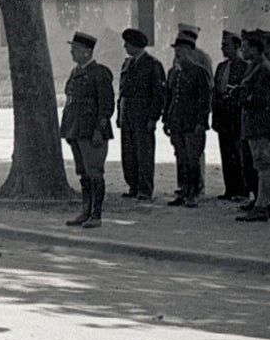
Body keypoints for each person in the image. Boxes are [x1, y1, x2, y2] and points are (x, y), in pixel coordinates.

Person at [61, 30, 114, 229]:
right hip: (75, 129)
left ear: (86, 52)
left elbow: (106, 106)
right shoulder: (75, 72)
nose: (72, 53)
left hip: (92, 132)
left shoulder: (99, 73)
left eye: (75, 49)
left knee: (95, 172)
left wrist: (99, 130)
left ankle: (96, 215)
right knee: (83, 173)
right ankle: (85, 211)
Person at [236, 29, 270, 222]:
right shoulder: (256, 65)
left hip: (262, 124)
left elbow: (260, 98)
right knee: (262, 165)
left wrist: (241, 96)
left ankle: (262, 206)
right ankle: (267, 204)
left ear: (255, 49)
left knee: (264, 165)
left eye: (245, 47)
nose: (242, 50)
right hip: (257, 123)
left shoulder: (263, 68)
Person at [162, 32, 212, 206]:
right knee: (181, 158)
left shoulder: (200, 73)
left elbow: (205, 101)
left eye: (182, 51)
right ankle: (183, 191)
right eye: (176, 51)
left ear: (191, 52)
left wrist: (201, 122)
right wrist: (166, 120)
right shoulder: (174, 73)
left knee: (192, 159)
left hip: (193, 124)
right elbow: (170, 99)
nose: (178, 54)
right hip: (177, 122)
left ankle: (194, 193)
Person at [116, 27, 165, 200]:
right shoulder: (127, 64)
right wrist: (119, 114)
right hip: (127, 111)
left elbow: (158, 94)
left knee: (144, 152)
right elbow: (122, 90)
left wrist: (153, 117)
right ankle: (133, 186)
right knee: (128, 152)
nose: (125, 47)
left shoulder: (153, 64)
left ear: (137, 45)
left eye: (128, 44)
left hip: (143, 112)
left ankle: (145, 189)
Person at [212, 31, 248, 201]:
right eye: (222, 45)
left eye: (226, 45)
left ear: (237, 47)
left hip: (237, 116)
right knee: (225, 152)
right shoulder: (221, 67)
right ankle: (230, 189)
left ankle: (241, 190)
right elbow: (215, 91)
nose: (223, 48)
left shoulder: (245, 67)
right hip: (223, 116)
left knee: (238, 153)